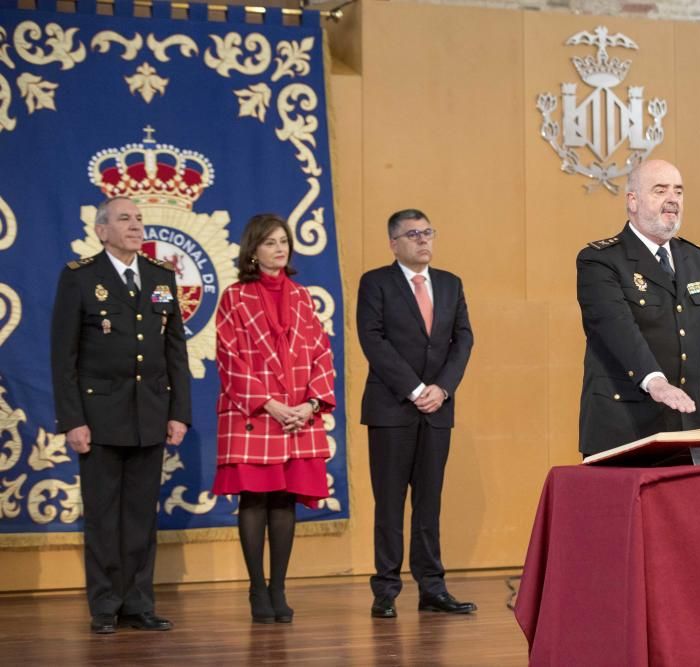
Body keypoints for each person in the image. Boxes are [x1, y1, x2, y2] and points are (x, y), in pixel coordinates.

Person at [51, 196, 192, 634]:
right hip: (99, 417)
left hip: (149, 413)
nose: (135, 225)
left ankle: (138, 603)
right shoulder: (80, 278)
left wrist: (179, 413)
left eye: (138, 219)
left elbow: (176, 354)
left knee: (140, 516)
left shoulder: (160, 276)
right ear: (101, 230)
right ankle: (105, 606)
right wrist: (73, 419)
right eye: (124, 219)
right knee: (103, 515)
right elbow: (64, 357)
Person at [212, 214, 336, 624]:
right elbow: (230, 358)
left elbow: (321, 352)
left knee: (284, 499)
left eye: (283, 241)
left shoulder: (302, 296)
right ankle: (256, 588)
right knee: (254, 498)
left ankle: (278, 587)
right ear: (253, 250)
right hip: (256, 413)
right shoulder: (234, 296)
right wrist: (268, 403)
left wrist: (311, 404)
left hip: (298, 414)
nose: (279, 248)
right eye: (269, 242)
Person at [357, 208, 475, 619]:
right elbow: (372, 340)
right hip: (392, 409)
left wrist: (442, 388)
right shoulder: (376, 283)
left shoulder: (450, 284)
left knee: (430, 502)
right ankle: (386, 590)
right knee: (389, 503)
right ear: (394, 243)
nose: (423, 240)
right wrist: (415, 388)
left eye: (428, 232)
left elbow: (463, 339)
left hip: (438, 409)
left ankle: (432, 587)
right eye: (413, 234)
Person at [576, 159, 700, 456]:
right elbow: (617, 328)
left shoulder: (697, 260)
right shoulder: (600, 261)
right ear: (633, 201)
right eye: (660, 191)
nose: (672, 200)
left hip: (689, 432)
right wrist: (655, 382)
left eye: (679, 192)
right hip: (625, 431)